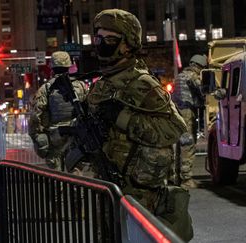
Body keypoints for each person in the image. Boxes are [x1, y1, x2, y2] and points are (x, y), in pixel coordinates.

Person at [84, 9, 192, 241]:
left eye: (110, 39)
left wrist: (123, 118)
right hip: (105, 186)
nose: (102, 44)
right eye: (99, 38)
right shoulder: (102, 85)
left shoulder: (142, 84)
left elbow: (174, 129)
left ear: (128, 44)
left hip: (137, 192)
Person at [28, 51, 87, 171]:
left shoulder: (46, 88)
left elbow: (35, 116)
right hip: (77, 135)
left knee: (57, 175)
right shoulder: (81, 86)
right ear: (68, 66)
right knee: (76, 173)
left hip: (56, 137)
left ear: (52, 68)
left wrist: (37, 136)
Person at [172, 54, 208, 189]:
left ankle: (176, 177)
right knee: (188, 144)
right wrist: (218, 92)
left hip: (176, 113)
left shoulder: (180, 76)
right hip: (186, 113)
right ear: (199, 66)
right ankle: (186, 179)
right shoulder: (192, 76)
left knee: (178, 145)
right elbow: (203, 90)